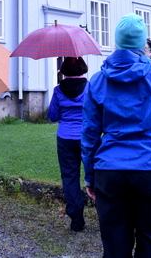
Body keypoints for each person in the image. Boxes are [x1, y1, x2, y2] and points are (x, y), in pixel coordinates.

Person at [82, 14, 151, 258]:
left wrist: (90, 176)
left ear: (117, 42)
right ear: (143, 42)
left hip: (110, 170)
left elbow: (90, 134)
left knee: (115, 247)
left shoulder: (97, 80)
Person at [47, 56, 89, 232]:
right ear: (83, 68)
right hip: (87, 137)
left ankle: (76, 220)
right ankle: (106, 215)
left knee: (70, 177)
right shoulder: (90, 88)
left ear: (64, 71)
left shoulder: (58, 90)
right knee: (95, 174)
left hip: (65, 138)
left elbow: (52, 116)